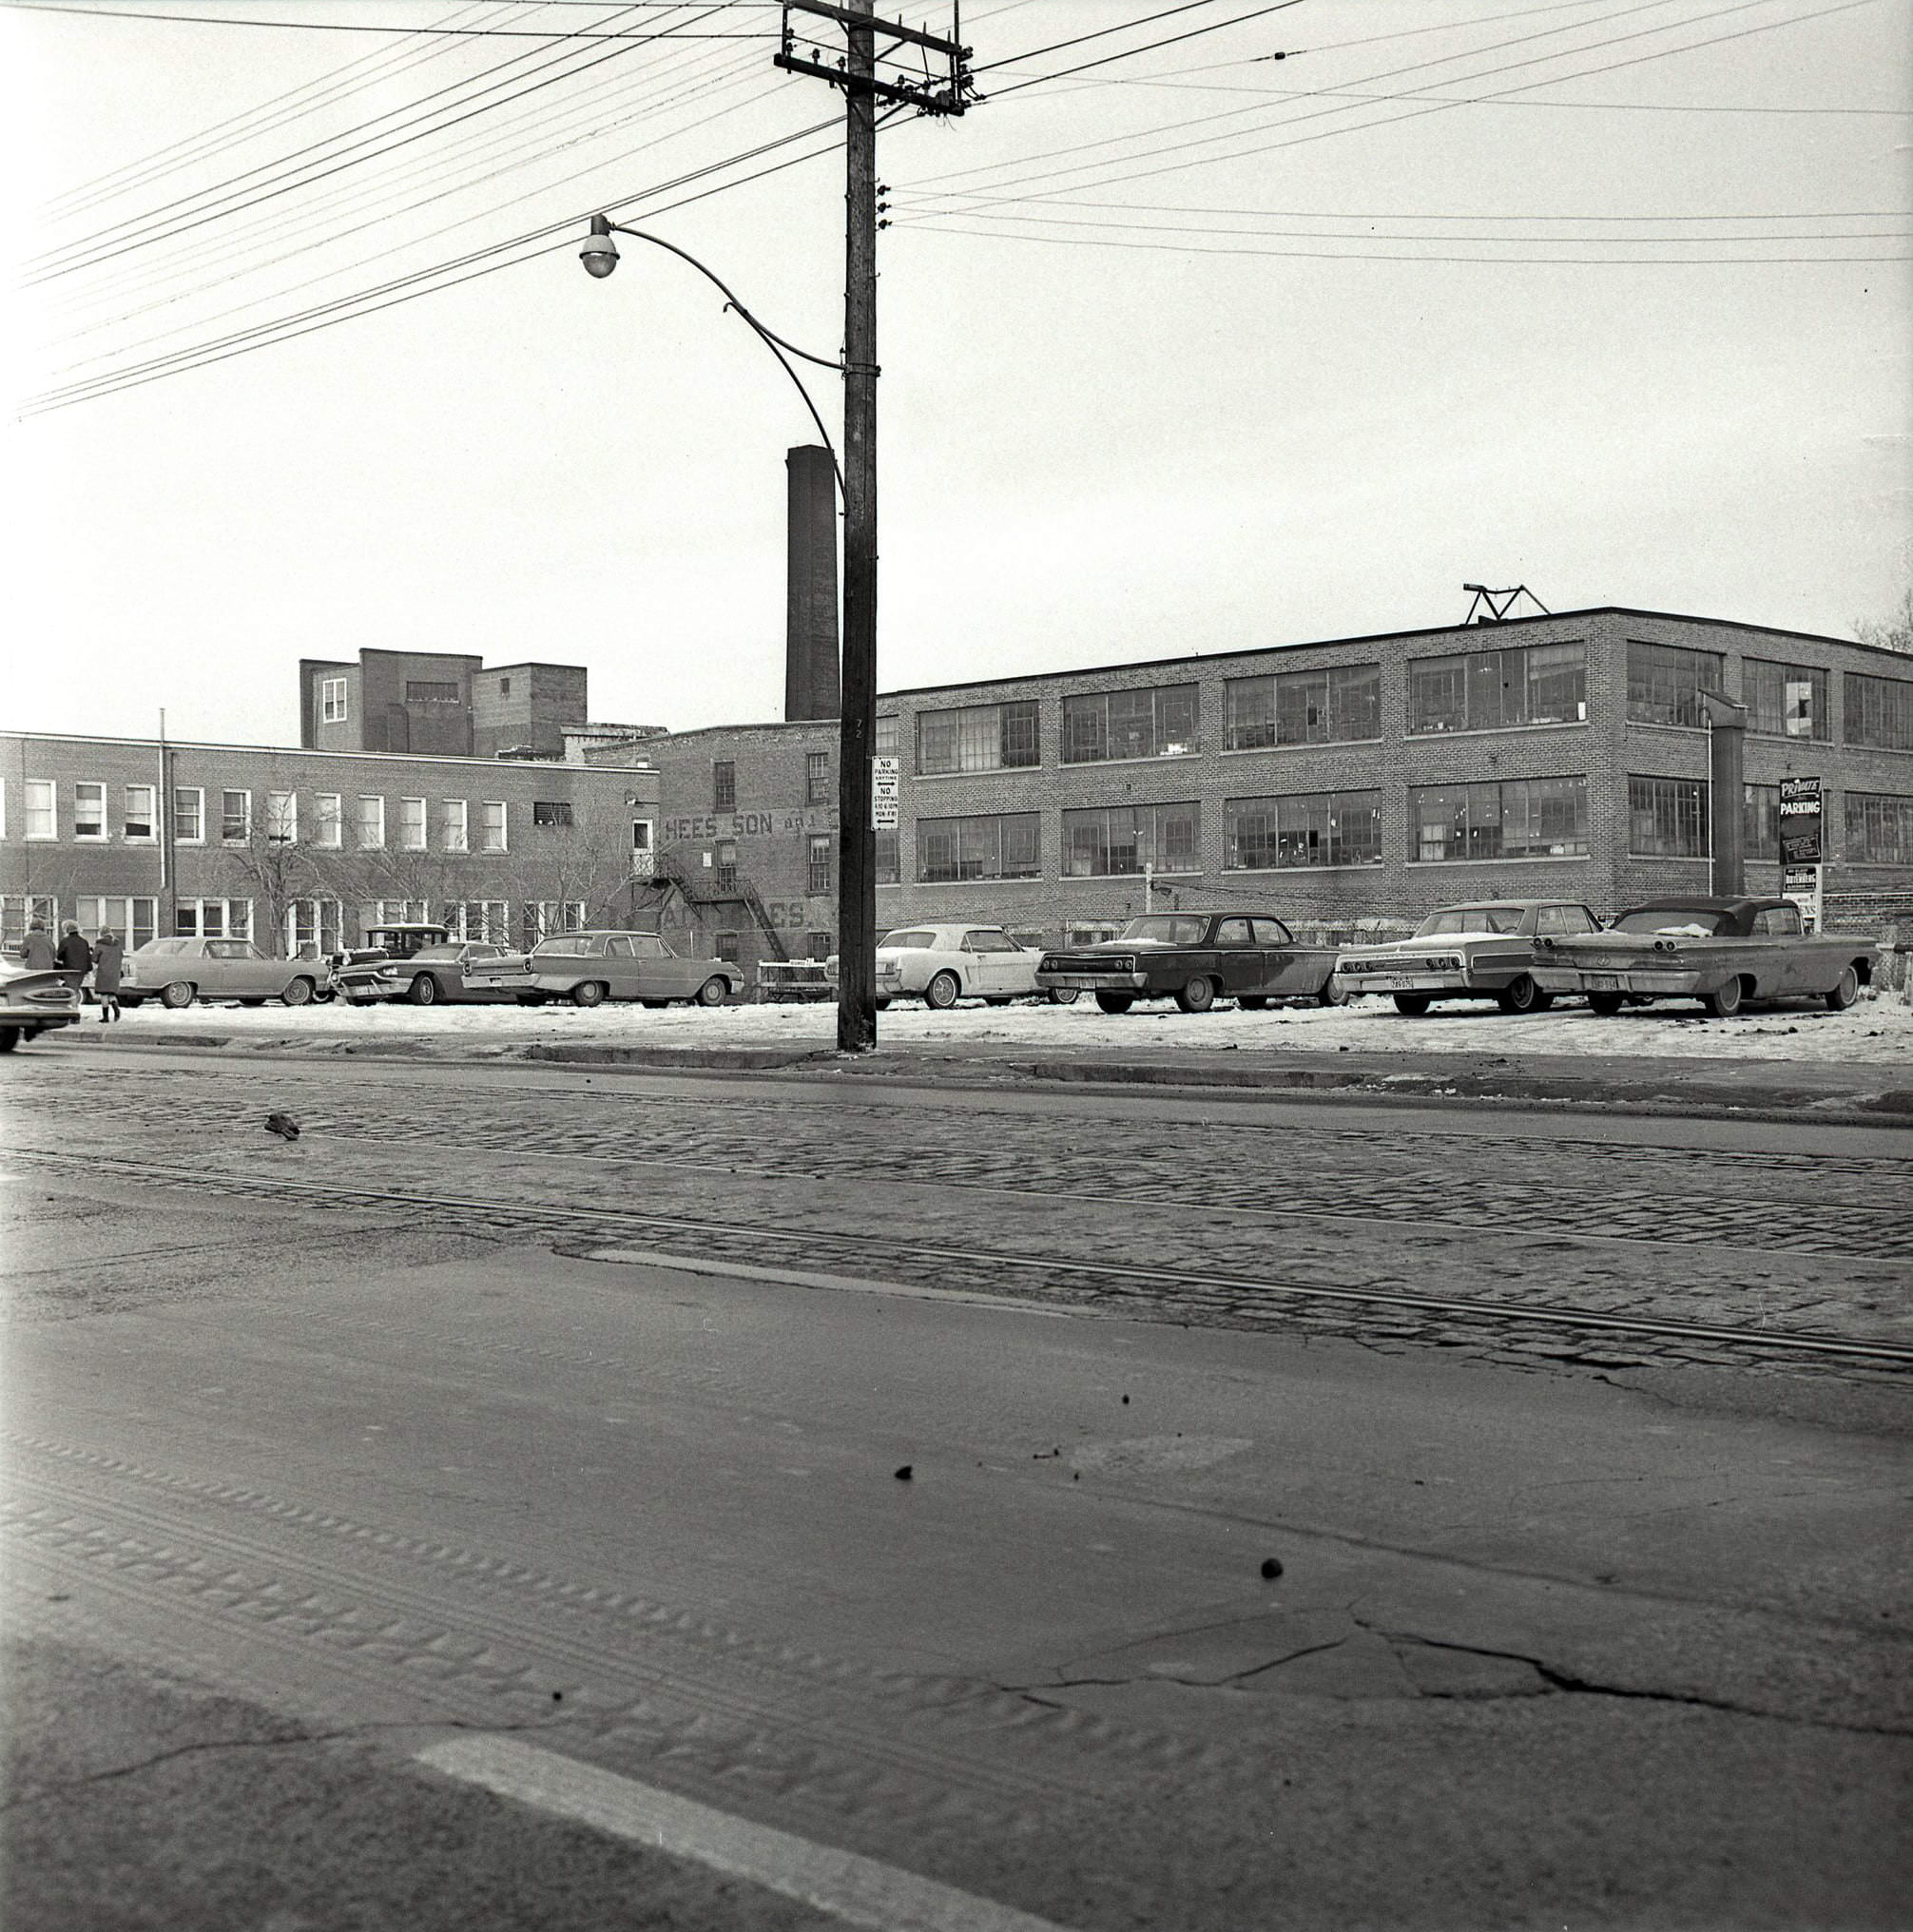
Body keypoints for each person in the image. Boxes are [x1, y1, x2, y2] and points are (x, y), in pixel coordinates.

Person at [92, 928, 125, 1022]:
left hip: (103, 972)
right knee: (111, 993)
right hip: (115, 972)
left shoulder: (100, 945)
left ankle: (105, 1017)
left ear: (102, 934)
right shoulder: (117, 945)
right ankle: (116, 1010)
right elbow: (121, 956)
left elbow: (94, 958)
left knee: (104, 994)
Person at [55, 919, 93, 995]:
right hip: (81, 971)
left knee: (71, 990)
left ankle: (72, 1005)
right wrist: (89, 968)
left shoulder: (65, 941)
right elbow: (88, 956)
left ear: (67, 930)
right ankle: (73, 1004)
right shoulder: (84, 941)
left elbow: (59, 956)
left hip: (69, 970)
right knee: (75, 989)